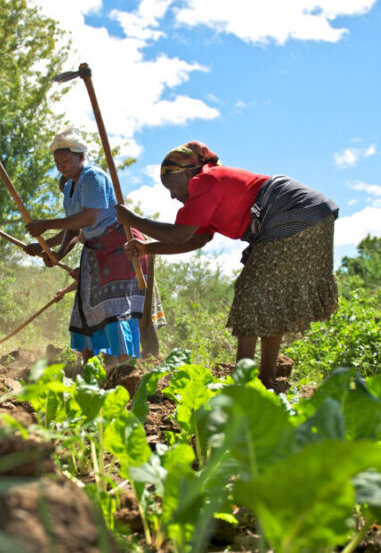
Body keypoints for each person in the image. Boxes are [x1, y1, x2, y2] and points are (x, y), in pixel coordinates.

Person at [115, 141, 339, 389]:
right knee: (274, 298)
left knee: (251, 293)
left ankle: (242, 380)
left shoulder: (205, 181)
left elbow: (179, 235)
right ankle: (265, 378)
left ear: (188, 174)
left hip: (292, 212)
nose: (172, 195)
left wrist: (134, 219)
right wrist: (147, 247)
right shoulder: (204, 194)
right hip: (311, 214)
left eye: (171, 187)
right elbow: (194, 240)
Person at [24, 126, 150, 369]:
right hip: (95, 250)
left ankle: (125, 370)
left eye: (66, 160)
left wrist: (46, 224)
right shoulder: (70, 187)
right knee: (85, 306)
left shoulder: (93, 177)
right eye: (57, 162)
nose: (62, 166)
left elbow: (88, 219)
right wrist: (56, 253)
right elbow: (74, 229)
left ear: (81, 156)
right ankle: (89, 369)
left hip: (119, 247)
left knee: (115, 309)